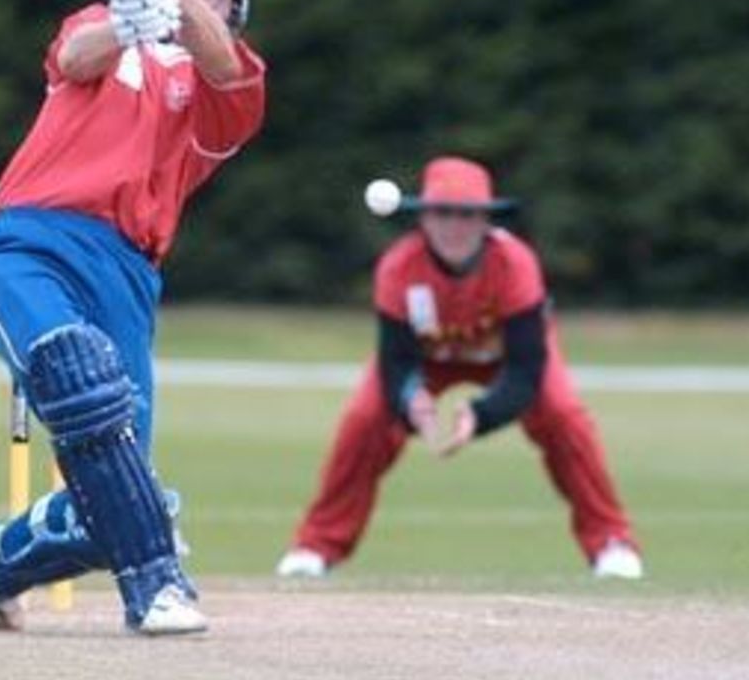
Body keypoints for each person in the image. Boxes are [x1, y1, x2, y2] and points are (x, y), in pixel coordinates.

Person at [0, 0, 266, 637]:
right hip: (27, 243)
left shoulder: (226, 86)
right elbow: (75, 56)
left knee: (115, 498)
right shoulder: (102, 26)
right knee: (77, 375)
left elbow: (221, 62)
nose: (205, 0)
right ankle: (156, 585)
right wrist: (128, 19)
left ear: (237, 9)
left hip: (127, 275)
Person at [276, 156, 644, 580]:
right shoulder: (399, 267)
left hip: (505, 357)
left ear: (485, 220)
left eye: (467, 214)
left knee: (564, 417)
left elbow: (526, 369)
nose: (454, 226)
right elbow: (396, 361)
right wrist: (410, 399)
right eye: (442, 213)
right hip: (428, 358)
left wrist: (481, 414)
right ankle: (316, 546)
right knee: (365, 420)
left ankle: (611, 542)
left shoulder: (515, 263)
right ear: (424, 219)